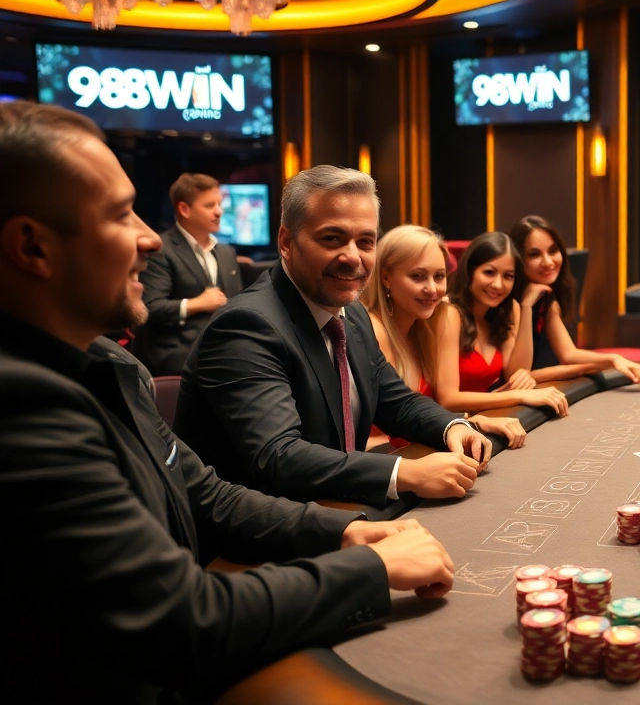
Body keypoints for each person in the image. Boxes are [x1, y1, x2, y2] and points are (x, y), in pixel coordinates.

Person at [0, 101, 456, 702]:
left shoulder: (115, 363)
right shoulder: (23, 404)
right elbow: (182, 622)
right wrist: (369, 571)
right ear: (34, 248)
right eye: (119, 215)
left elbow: (206, 494)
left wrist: (345, 532)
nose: (149, 239)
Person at [175, 165, 492, 507]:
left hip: (331, 510)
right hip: (247, 543)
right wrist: (404, 473)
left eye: (365, 242)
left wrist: (451, 426)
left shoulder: (351, 312)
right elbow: (279, 457)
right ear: (286, 242)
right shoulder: (246, 325)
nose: (352, 257)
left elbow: (395, 401)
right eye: (332, 238)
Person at [363, 225, 526, 448]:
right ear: (386, 278)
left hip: (419, 454)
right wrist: (468, 422)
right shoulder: (374, 330)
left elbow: (423, 414)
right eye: (418, 276)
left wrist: (468, 422)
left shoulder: (426, 327)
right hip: (386, 464)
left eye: (439, 276)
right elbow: (391, 423)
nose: (432, 289)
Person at [509, 215, 640, 389]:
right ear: (518, 259)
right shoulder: (508, 305)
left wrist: (614, 359)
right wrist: (585, 368)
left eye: (553, 251)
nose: (548, 262)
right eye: (534, 254)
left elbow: (568, 354)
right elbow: (519, 377)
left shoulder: (546, 299)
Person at [436, 231, 570, 415]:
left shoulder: (504, 312)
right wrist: (518, 396)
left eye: (508, 276)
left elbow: (517, 372)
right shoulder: (450, 313)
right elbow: (448, 400)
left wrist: (526, 307)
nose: (498, 285)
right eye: (489, 272)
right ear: (470, 271)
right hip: (442, 427)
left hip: (480, 419)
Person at [132, 172, 243, 376]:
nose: (219, 212)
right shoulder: (161, 249)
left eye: (219, 204)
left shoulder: (227, 252)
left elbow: (238, 305)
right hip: (176, 360)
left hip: (225, 355)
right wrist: (196, 304)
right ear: (184, 209)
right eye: (210, 206)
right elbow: (149, 308)